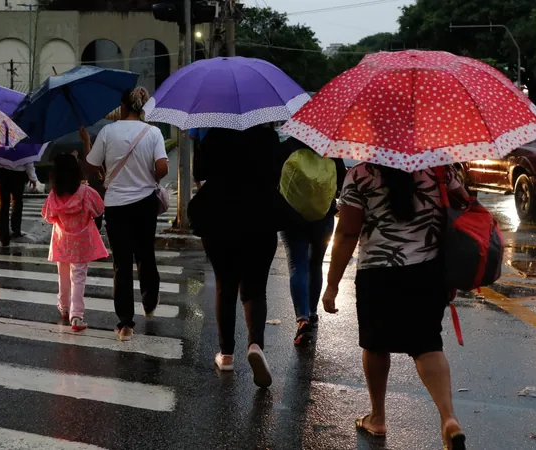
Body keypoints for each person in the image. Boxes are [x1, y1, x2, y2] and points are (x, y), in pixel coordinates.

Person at [321, 163, 467, 450]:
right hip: (428, 271)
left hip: (378, 272)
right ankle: (449, 418)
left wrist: (332, 283)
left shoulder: (360, 175)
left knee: (375, 345)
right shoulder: (439, 169)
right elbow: (463, 208)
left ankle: (377, 417)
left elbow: (348, 232)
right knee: (427, 345)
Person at [188, 124, 285, 388]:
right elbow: (278, 173)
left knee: (225, 286)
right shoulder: (268, 137)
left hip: (219, 220)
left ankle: (227, 354)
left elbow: (199, 173)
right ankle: (255, 345)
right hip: (261, 218)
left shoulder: (215, 136)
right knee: (255, 290)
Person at [82, 86, 169, 341]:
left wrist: (86, 142)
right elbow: (162, 168)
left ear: (123, 107)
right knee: (145, 254)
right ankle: (149, 301)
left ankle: (125, 324)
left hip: (117, 205)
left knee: (121, 263)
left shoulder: (108, 131)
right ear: (141, 107)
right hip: (145, 204)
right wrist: (148, 175)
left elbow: (91, 165)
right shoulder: (153, 132)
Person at [280, 138, 346, 347]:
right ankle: (313, 311)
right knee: (315, 263)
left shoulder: (286, 147)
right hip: (323, 217)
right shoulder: (329, 147)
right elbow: (341, 183)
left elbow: (276, 180)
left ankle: (302, 319)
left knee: (297, 265)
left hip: (291, 216)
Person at [42, 153, 108, 331]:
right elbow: (99, 209)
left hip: (61, 239)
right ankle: (77, 315)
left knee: (63, 274)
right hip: (81, 240)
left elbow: (48, 216)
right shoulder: (85, 192)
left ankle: (64, 307)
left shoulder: (54, 195)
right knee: (78, 277)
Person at [0, 162, 38, 247]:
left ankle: (4, 236)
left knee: (3, 206)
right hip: (18, 175)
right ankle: (16, 229)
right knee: (17, 202)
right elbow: (29, 162)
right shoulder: (22, 149)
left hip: (1, 174)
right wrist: (33, 178)